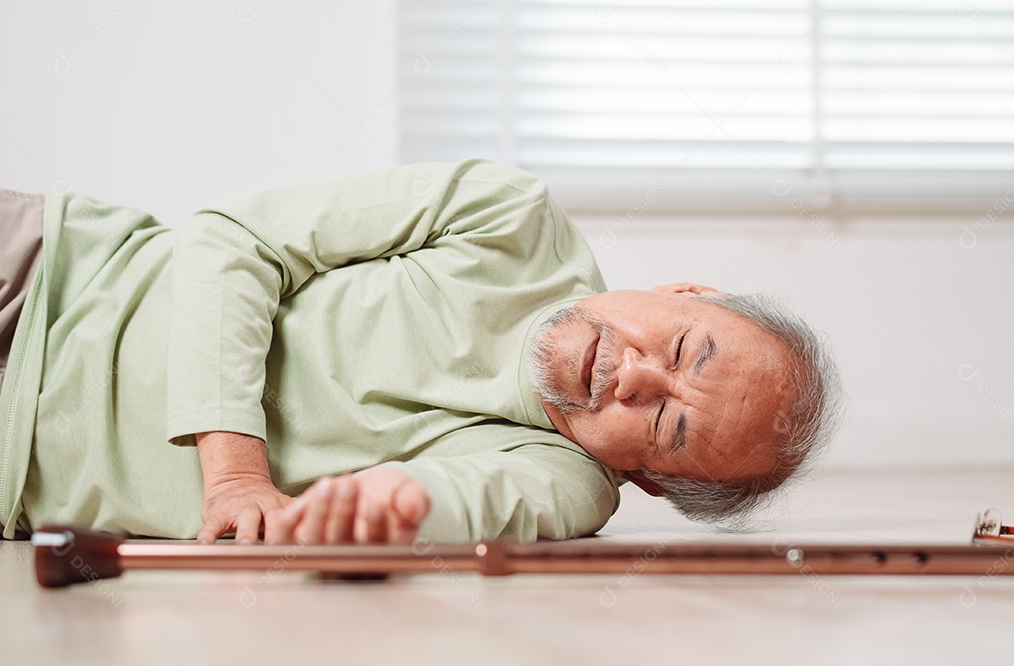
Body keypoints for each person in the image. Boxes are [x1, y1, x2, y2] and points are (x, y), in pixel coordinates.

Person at [0, 160, 841, 545]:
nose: (637, 377)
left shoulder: (565, 487)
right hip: (46, 273)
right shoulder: (512, 220)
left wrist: (366, 520)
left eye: (666, 427)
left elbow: (433, 503)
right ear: (684, 294)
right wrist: (233, 473)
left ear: (650, 478)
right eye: (685, 349)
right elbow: (233, 237)